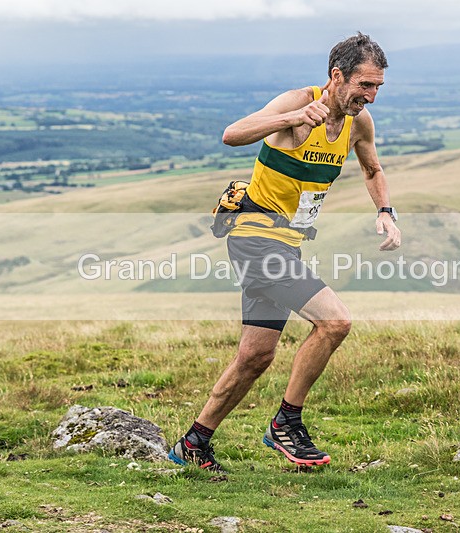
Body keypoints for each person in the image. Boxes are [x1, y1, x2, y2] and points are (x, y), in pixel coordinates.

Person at [169, 32, 401, 472]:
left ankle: (194, 442)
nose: (371, 97)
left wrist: (385, 211)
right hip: (255, 236)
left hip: (287, 244)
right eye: (365, 85)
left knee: (255, 355)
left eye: (377, 88)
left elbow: (372, 168)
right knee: (335, 322)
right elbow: (232, 134)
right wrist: (293, 116)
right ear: (338, 76)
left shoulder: (358, 123)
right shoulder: (298, 103)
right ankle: (286, 423)